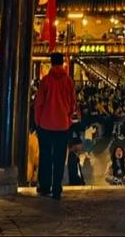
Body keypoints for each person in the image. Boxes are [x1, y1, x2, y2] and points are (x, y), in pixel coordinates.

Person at [34, 52, 77, 200]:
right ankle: (57, 188)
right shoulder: (68, 81)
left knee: (45, 156)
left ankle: (45, 186)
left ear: (51, 63)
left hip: (45, 125)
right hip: (62, 125)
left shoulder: (45, 81)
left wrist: (38, 121)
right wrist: (68, 118)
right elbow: (73, 104)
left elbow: (39, 103)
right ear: (62, 63)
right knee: (59, 158)